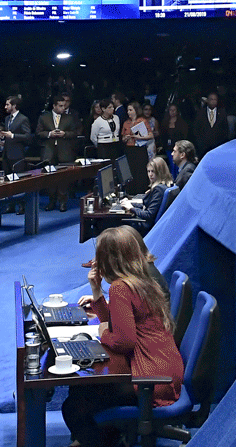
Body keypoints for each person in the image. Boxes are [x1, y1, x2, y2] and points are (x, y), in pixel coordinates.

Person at [63, 226, 184, 447]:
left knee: (74, 406)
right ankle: (110, 438)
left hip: (151, 380)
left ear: (110, 260)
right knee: (84, 389)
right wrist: (96, 291)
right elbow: (119, 323)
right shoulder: (143, 280)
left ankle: (106, 441)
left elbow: (123, 341)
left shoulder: (121, 288)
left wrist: (103, 333)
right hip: (166, 370)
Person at [36, 94, 80, 209]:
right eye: (60, 106)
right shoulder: (44, 117)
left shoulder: (69, 118)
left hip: (64, 151)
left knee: (63, 178)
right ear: (54, 106)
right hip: (49, 151)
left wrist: (64, 134)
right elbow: (38, 133)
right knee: (50, 178)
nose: (63, 108)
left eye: (64, 106)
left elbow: (75, 133)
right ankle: (51, 201)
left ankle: (63, 202)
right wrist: (49, 134)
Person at [125, 158, 174, 231]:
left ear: (160, 172)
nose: (150, 174)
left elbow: (148, 214)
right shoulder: (165, 185)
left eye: (153, 171)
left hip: (145, 227)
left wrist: (131, 208)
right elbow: (149, 206)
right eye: (148, 171)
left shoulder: (158, 190)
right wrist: (131, 204)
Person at [0, 96, 31, 169]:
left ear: (14, 105)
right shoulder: (7, 118)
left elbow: (27, 136)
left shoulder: (23, 119)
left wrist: (13, 135)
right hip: (6, 155)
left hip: (17, 155)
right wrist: (4, 136)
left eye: (7, 105)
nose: (5, 107)